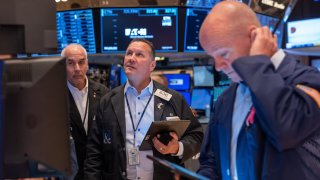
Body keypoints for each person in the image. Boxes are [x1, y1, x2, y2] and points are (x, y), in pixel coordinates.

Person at [197, 1, 320, 180]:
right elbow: (212, 160)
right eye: (212, 57)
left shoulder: (308, 80)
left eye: (223, 53)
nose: (217, 66)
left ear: (255, 37)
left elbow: (284, 129)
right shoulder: (226, 99)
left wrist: (258, 62)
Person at [84, 38, 203, 180]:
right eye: (129, 53)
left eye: (139, 55)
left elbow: (196, 136)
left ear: (152, 65)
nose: (131, 58)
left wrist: (177, 148)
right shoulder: (108, 101)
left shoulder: (173, 99)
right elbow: (94, 152)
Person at [61, 43, 109, 179]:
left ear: (87, 64)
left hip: (98, 172)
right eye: (70, 63)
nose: (77, 68)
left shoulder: (104, 93)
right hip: (69, 173)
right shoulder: (54, 96)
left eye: (81, 63)